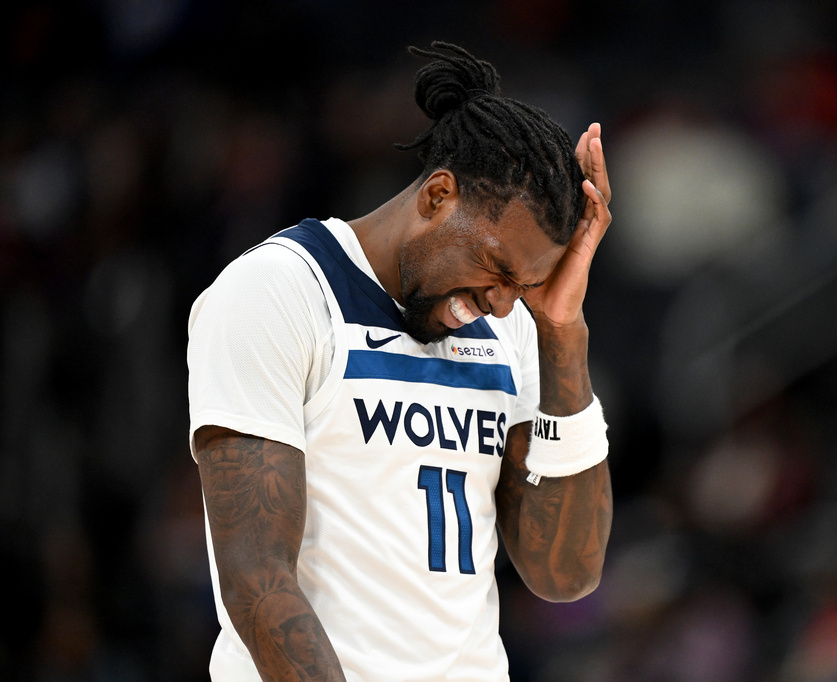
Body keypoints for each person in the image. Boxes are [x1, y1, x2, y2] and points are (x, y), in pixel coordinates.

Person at [187, 41, 613, 681]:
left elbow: (565, 575)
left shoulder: (514, 329)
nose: (500, 305)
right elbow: (257, 582)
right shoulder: (279, 290)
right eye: (496, 269)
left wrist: (562, 333)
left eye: (520, 287)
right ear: (438, 195)